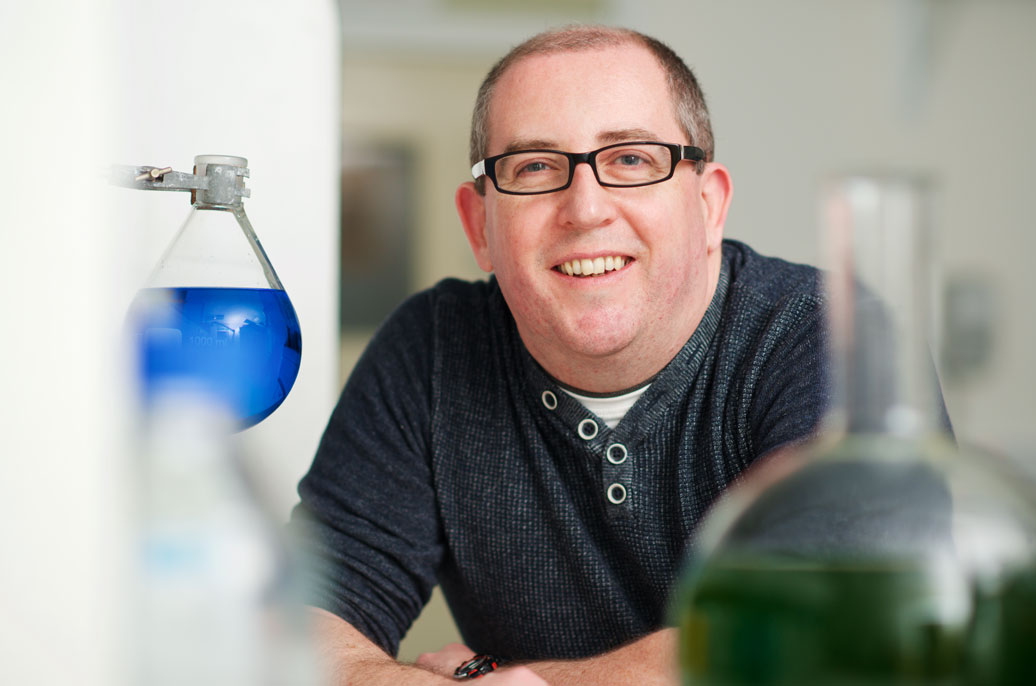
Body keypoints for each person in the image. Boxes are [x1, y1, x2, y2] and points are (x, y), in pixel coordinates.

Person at [292, 25, 829, 685]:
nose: (585, 208)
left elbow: (823, 633)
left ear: (709, 204)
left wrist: (497, 680)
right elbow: (301, 622)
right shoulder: (431, 351)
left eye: (632, 159)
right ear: (478, 227)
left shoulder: (829, 335)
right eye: (535, 167)